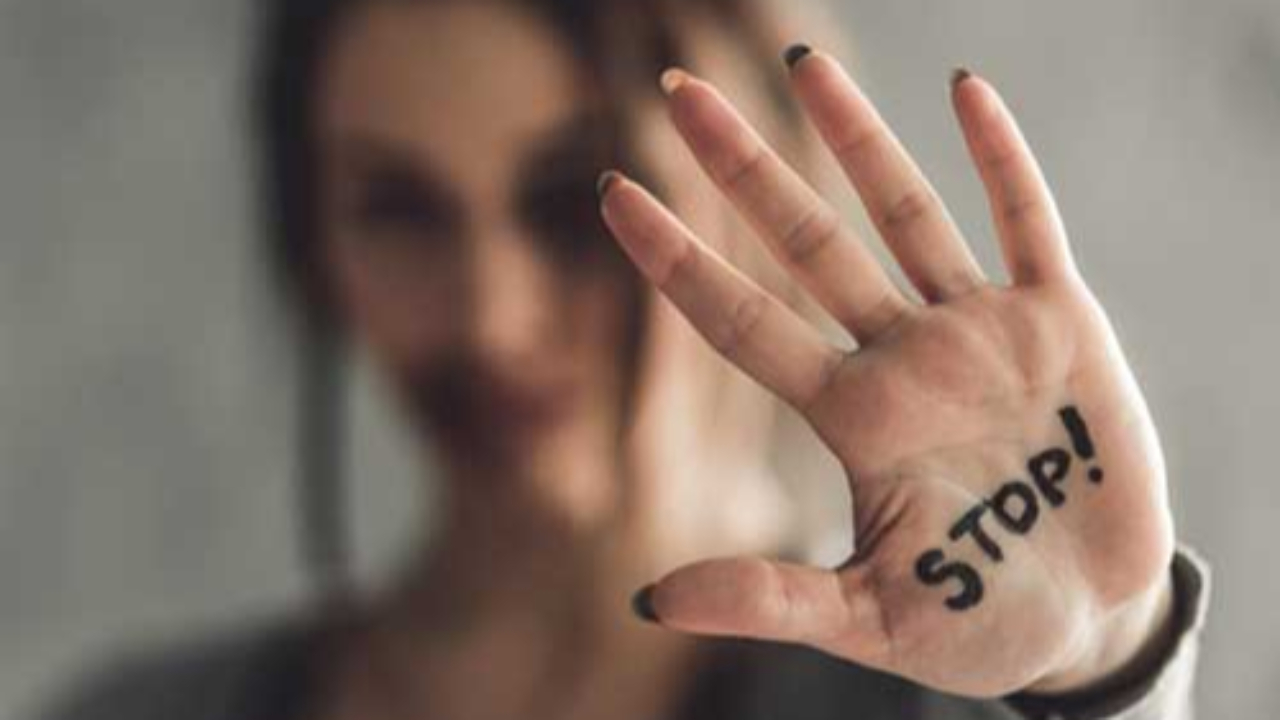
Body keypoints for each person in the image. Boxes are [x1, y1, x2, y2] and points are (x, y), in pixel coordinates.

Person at [35, 0, 1208, 719]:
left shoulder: (945, 699)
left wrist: (1102, 667)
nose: (491, 319)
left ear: (754, 199)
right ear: (311, 243)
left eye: (572, 204)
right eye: (397, 208)